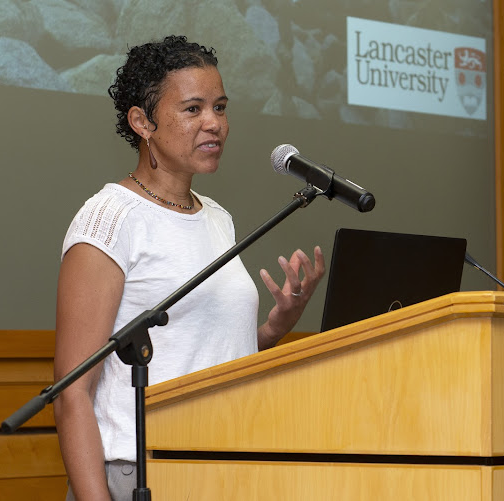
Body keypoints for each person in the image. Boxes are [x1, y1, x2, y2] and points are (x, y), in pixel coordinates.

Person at [53, 35, 325, 501]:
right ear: (142, 122)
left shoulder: (217, 217)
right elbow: (72, 394)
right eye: (193, 109)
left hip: (224, 465)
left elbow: (204, 358)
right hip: (140, 474)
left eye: (220, 108)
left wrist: (274, 328)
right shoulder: (109, 219)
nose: (214, 124)